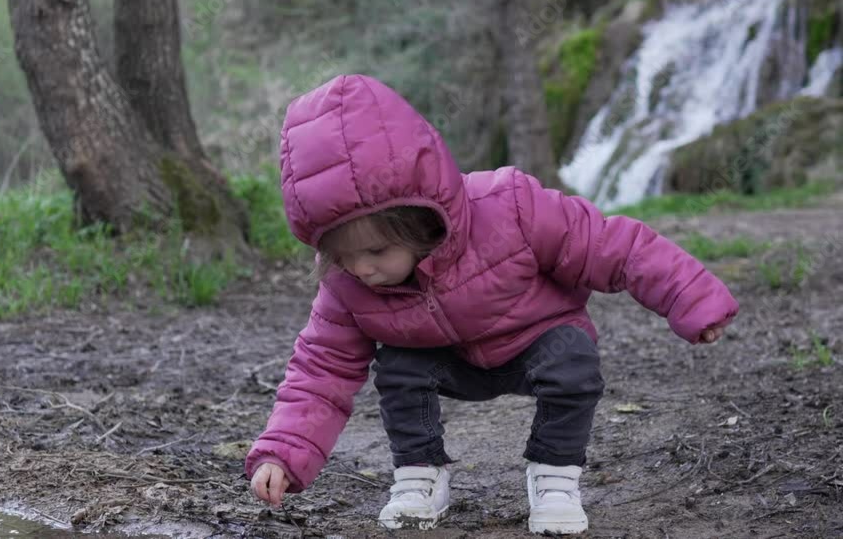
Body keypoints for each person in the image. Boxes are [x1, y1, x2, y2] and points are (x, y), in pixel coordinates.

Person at [244, 74, 738, 534]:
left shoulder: (511, 207)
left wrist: (691, 298)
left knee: (572, 357)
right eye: (342, 256)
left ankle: (554, 475)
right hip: (444, 361)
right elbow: (321, 367)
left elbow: (613, 247)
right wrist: (284, 452)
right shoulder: (346, 283)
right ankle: (420, 474)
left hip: (532, 342)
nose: (361, 269)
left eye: (375, 251)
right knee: (398, 364)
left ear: (419, 219)